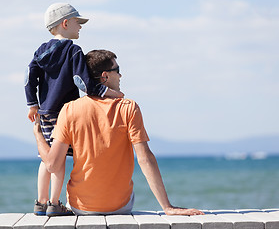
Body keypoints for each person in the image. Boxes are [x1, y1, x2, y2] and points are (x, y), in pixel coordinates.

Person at [33, 49, 204, 216]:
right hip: (120, 207)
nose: (121, 76)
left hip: (80, 207)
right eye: (118, 71)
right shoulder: (128, 107)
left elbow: (53, 165)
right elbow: (145, 158)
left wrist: (38, 135)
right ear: (105, 76)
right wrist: (167, 207)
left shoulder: (69, 109)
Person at [24, 3, 123, 217]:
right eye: (78, 23)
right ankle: (54, 203)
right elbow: (82, 82)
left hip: (45, 112)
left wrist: (32, 103)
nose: (81, 27)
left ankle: (40, 202)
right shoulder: (73, 50)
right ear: (65, 23)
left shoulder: (41, 50)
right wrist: (107, 93)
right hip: (65, 113)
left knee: (47, 159)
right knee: (58, 161)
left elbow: (29, 78)